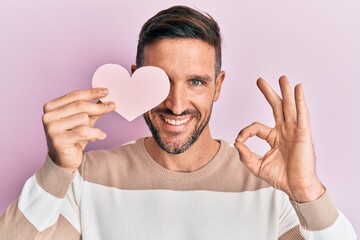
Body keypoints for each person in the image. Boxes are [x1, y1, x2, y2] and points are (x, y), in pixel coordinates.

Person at [0, 5, 357, 240]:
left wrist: (308, 192)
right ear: (136, 79)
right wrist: (55, 171)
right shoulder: (88, 177)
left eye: (196, 82)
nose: (176, 103)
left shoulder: (269, 186)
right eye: (161, 80)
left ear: (218, 87)